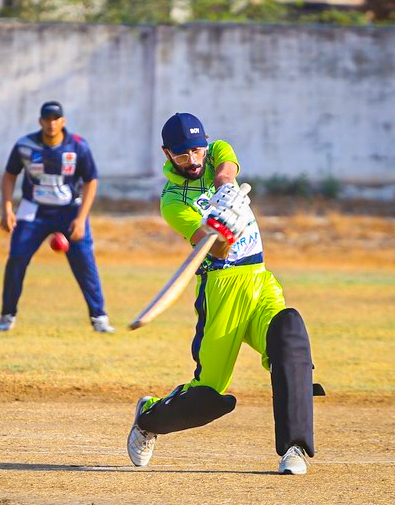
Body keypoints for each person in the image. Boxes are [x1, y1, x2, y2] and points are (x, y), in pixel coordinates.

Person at [126, 113, 323, 474]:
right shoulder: (172, 202)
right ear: (167, 154)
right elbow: (214, 250)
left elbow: (224, 170)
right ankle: (149, 419)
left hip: (259, 279)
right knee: (207, 395)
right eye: (182, 155)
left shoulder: (217, 151)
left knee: (289, 339)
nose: (193, 160)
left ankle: (294, 448)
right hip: (220, 288)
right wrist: (222, 230)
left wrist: (226, 190)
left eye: (197, 151)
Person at [0, 101, 114, 333]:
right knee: (16, 257)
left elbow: (91, 181)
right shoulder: (25, 145)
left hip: (69, 210)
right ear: (40, 121)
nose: (51, 124)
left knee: (84, 261)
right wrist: (7, 209)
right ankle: (7, 316)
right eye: (47, 119)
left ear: (63, 121)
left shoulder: (78, 146)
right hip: (34, 209)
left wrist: (81, 219)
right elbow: (9, 175)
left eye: (55, 119)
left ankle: (99, 317)